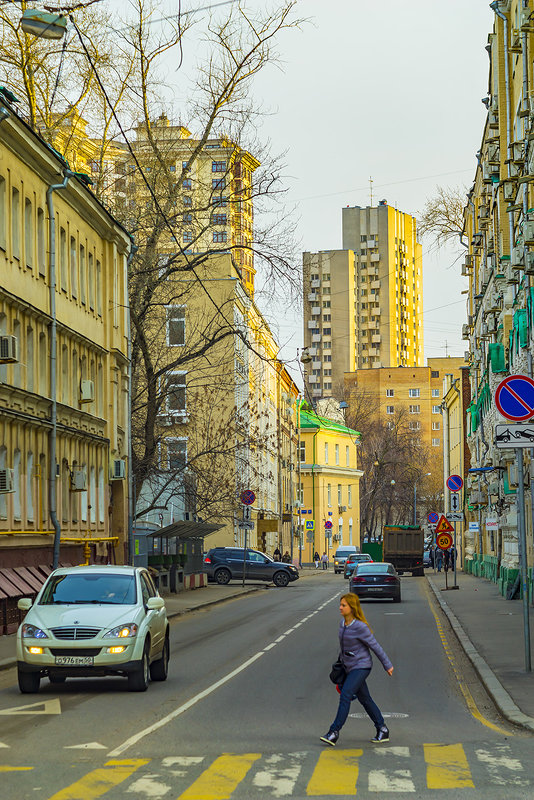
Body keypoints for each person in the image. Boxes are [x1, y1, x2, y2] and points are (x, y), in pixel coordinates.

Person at [320, 593, 393, 747]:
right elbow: (344, 647)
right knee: (365, 699)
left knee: (346, 695)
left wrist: (387, 665)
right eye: (340, 604)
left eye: (343, 605)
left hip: (362, 666)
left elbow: (375, 646)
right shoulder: (342, 624)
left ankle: (334, 732)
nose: (340, 607)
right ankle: (382, 728)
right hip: (349, 667)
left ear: (352, 608)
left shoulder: (360, 626)